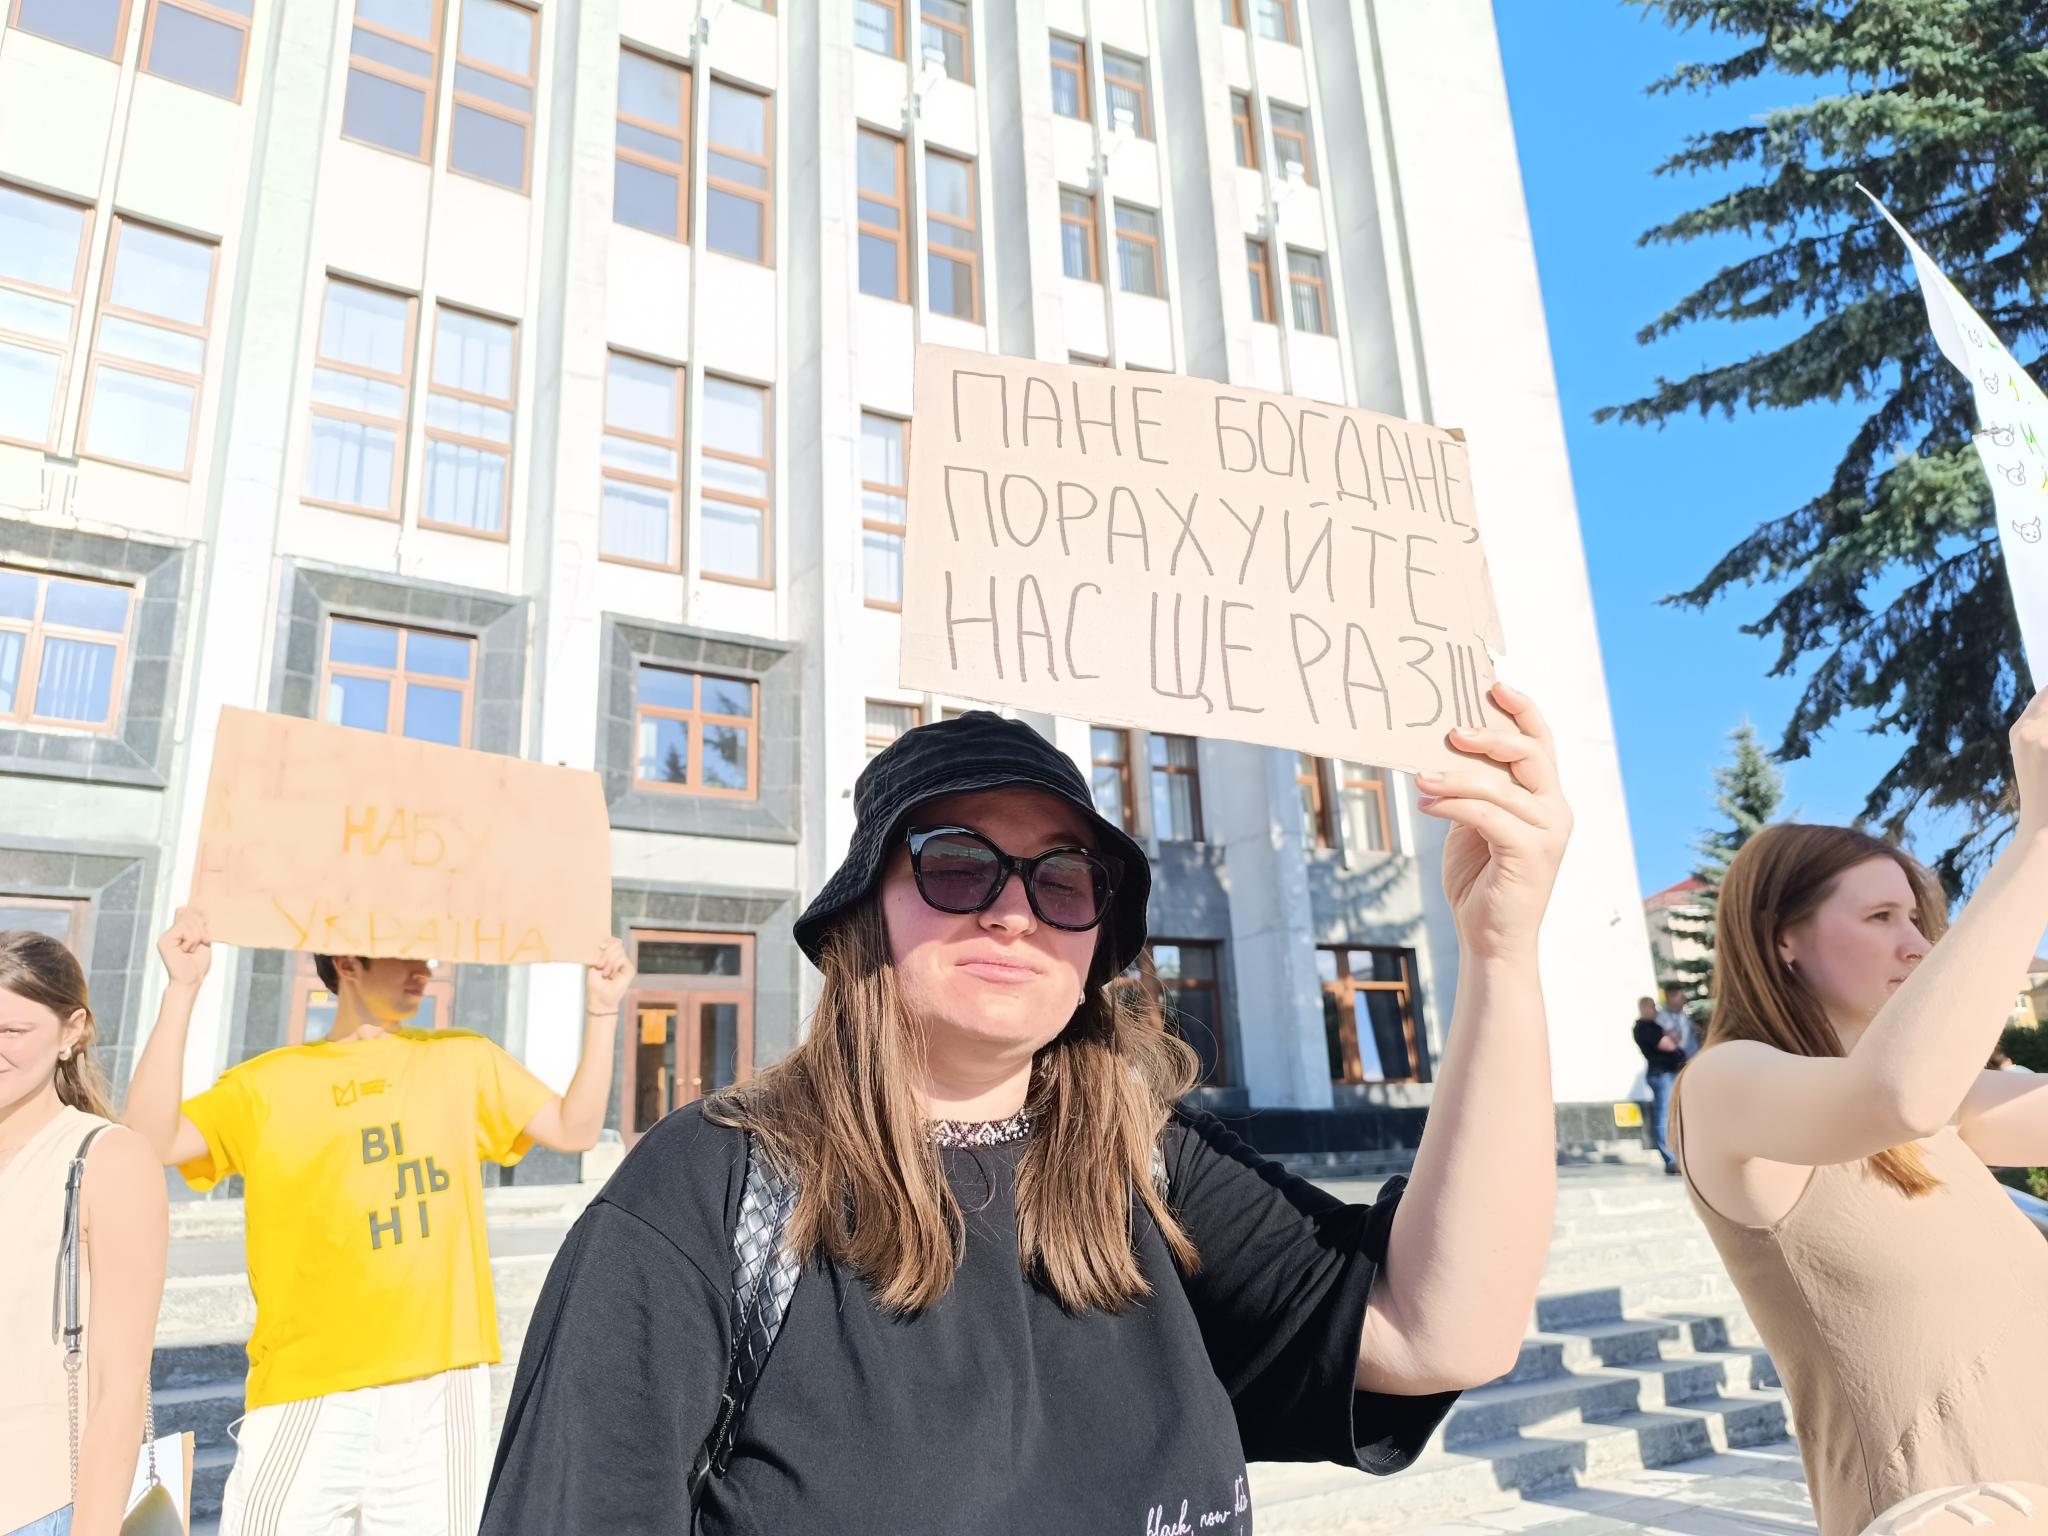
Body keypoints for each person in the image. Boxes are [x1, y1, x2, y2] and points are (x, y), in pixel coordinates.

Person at [481, 690, 1574, 1533]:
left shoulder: (1153, 1164)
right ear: (866, 909)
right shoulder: (710, 1187)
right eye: (958, 865)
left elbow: (1441, 1330)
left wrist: (1499, 952)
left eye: (1062, 880)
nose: (1013, 911)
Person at [123, 910, 634, 1536]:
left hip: (441, 1381)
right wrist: (181, 989)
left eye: (429, 954)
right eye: (405, 954)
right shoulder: (267, 1084)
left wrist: (603, 1013)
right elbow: (147, 1139)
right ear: (347, 963)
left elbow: (574, 1129)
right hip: (308, 1384)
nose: (426, 969)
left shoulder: (464, 1060)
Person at [1673, 690, 2048, 1536]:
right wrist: (2040, 836)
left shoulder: (1941, 1107)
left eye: (1917, 918)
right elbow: (1894, 1094)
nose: (1918, 944)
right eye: (1881, 917)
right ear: (1783, 940)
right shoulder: (1725, 1088)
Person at [1, 931, 167, 1536]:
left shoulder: (106, 1159)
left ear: (73, 1031)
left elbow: (118, 1385)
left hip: (35, 1508)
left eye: (11, 1032)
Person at [1632, 995, 1683, 1175]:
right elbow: (1669, 1044)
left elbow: (1675, 1039)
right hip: (1660, 1074)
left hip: (1667, 1073)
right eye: (1652, 1007)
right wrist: (1671, 1037)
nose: (1656, 1011)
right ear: (1645, 1008)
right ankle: (1670, 1159)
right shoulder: (1644, 1028)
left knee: (1669, 1115)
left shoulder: (1655, 1026)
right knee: (1663, 1116)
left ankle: (1675, 1157)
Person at [1655, 982, 1699, 1059]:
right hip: (1679, 1063)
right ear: (1670, 997)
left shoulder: (1682, 1013)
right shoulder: (1661, 1018)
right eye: (1681, 996)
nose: (1684, 998)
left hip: (1694, 1057)